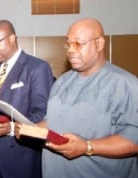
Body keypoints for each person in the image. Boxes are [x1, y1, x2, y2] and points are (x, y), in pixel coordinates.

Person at [15, 17, 138, 178]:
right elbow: (53, 121)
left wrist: (87, 147)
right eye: (68, 43)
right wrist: (31, 129)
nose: (71, 50)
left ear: (99, 44)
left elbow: (133, 140)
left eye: (78, 43)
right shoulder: (62, 82)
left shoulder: (125, 84)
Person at [0, 20, 54, 178]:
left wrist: (11, 128)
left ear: (12, 38)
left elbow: (43, 114)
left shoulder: (37, 67)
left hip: (21, 155)